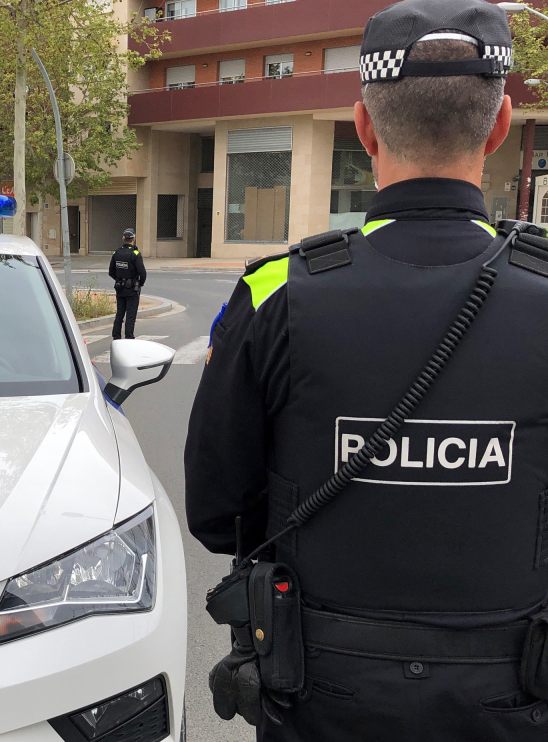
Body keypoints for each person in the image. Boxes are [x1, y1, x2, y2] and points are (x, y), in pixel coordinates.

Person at [184, 1, 548, 739]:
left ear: (364, 126)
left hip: (320, 695)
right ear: (502, 123)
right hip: (514, 697)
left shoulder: (276, 293)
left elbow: (219, 511)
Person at [109, 228, 147, 340]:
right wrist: (140, 284)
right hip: (132, 289)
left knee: (120, 313)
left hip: (119, 287)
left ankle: (116, 336)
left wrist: (119, 279)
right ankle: (129, 338)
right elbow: (142, 272)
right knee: (130, 315)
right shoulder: (135, 254)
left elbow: (111, 271)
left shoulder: (117, 252)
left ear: (123, 239)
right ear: (134, 239)